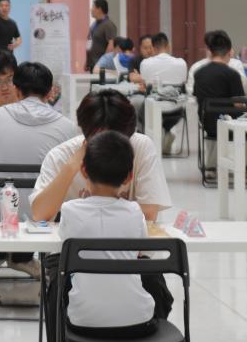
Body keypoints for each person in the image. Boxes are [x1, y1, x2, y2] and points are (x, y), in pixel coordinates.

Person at [0, 61, 79, 302]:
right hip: (47, 214)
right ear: (50, 92)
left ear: (16, 89)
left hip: (0, 213)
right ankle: (52, 280)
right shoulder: (68, 127)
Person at [50, 131, 171, 341]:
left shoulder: (69, 210)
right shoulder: (135, 212)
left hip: (82, 321)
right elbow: (141, 252)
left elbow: (64, 245)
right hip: (138, 322)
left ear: (84, 170)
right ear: (129, 177)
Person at [30, 90, 171, 223]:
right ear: (85, 132)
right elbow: (39, 215)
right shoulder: (61, 156)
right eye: (100, 138)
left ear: (129, 134)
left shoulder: (141, 147)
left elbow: (149, 215)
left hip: (127, 241)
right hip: (77, 240)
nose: (109, 147)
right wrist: (71, 167)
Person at [192, 30, 247, 181]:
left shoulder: (198, 73)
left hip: (208, 125)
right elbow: (239, 103)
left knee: (215, 120)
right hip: (233, 126)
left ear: (210, 51)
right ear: (229, 53)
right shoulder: (233, 74)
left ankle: (211, 168)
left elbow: (197, 97)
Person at [138, 32, 188, 154]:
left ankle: (154, 140)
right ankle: (166, 132)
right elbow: (183, 82)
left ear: (153, 48)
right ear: (168, 45)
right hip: (176, 110)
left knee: (141, 110)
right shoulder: (181, 63)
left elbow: (145, 84)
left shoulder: (146, 63)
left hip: (152, 108)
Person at [85, 0, 118, 72]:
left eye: (93, 7)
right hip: (92, 64)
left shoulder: (108, 25)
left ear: (99, 9)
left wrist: (103, 62)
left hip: (101, 67)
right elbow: (89, 43)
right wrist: (87, 61)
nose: (91, 9)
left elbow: (111, 45)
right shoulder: (94, 25)